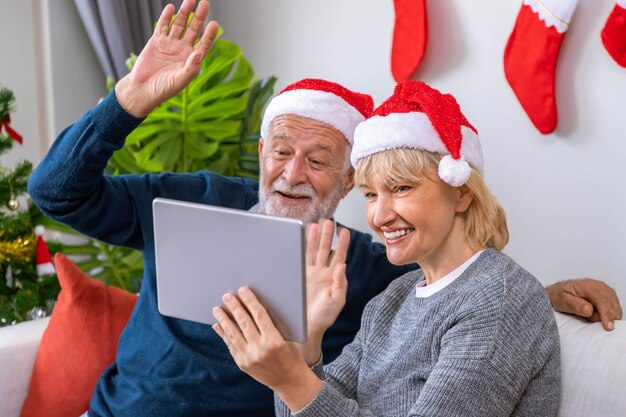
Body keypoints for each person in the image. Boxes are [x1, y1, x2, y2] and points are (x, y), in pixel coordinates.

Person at [26, 0, 619, 416]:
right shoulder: (193, 198)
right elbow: (56, 193)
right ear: (261, 153)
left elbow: (456, 294)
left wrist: (544, 295)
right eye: (281, 151)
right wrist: (127, 100)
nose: (291, 174)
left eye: (319, 160)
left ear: (346, 180)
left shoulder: (365, 266)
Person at [213, 80, 561, 416]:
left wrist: (290, 378)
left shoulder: (499, 299)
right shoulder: (393, 298)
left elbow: (302, 395)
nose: (379, 216)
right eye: (370, 194)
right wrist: (308, 342)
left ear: (462, 193)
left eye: (401, 188)